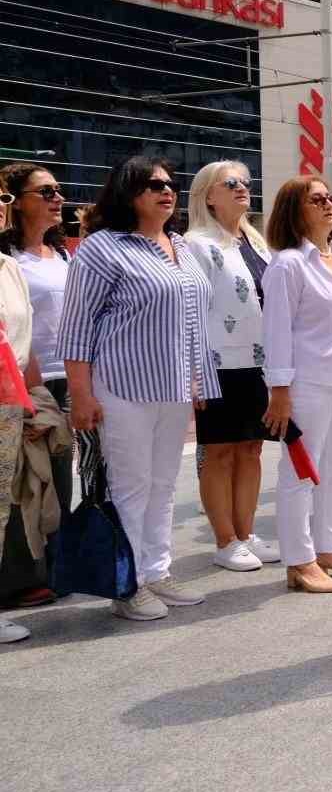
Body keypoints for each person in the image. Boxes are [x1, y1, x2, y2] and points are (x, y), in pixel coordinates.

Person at [60, 157, 218, 622]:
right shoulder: (103, 248)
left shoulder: (180, 246)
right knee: (131, 486)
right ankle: (126, 584)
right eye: (152, 185)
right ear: (128, 193)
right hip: (122, 385)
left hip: (172, 385)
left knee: (165, 483)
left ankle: (156, 570)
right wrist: (81, 393)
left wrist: (199, 377)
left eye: (170, 185)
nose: (165, 191)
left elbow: (194, 319)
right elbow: (77, 326)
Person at [262, 176, 332, 593]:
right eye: (317, 199)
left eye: (331, 197)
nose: (329, 204)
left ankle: (330, 548)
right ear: (295, 210)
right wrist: (279, 391)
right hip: (306, 381)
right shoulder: (289, 264)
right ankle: (300, 560)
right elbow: (276, 332)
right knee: (300, 471)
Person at [184, 160, 279, 572]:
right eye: (231, 183)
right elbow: (190, 310)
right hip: (217, 363)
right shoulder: (196, 243)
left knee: (252, 449)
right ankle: (225, 539)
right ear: (209, 195)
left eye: (246, 183)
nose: (243, 188)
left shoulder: (257, 243)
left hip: (258, 363)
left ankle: (245, 532)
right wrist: (193, 370)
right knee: (219, 452)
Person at [0, 161, 72, 544]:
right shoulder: (9, 258)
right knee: (24, 478)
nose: (57, 197)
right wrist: (28, 394)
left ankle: (56, 567)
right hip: (27, 381)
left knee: (61, 475)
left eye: (57, 190)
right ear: (18, 202)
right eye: (46, 192)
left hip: (71, 378)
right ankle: (24, 574)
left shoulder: (62, 255)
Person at [0, 183, 47, 638]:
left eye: (1, 198)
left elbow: (22, 341)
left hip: (8, 402)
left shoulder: (9, 268)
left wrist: (33, 404)